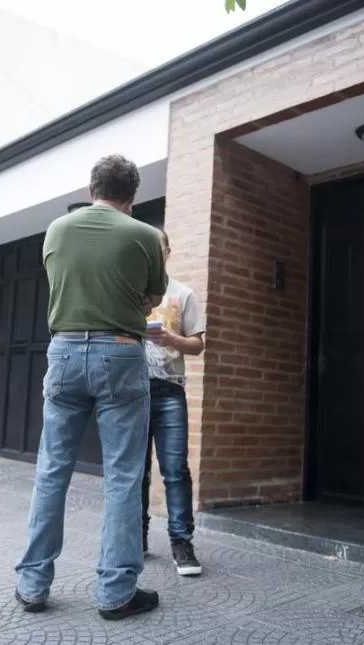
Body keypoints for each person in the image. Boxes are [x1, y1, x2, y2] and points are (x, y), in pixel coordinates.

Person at [15, 154, 167, 621]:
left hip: (62, 351)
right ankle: (117, 593)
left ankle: (33, 584)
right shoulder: (145, 235)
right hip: (121, 350)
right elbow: (153, 296)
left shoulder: (57, 230)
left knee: (52, 469)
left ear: (90, 188)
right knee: (122, 475)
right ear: (133, 195)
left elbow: (62, 280)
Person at [140, 230, 206, 576]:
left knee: (176, 470)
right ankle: (136, 539)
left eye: (158, 246)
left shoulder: (183, 294)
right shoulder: (127, 290)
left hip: (169, 392)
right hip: (132, 394)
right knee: (134, 472)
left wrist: (170, 338)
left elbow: (197, 345)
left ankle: (182, 543)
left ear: (167, 251)